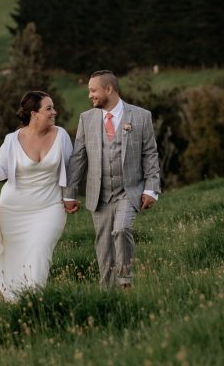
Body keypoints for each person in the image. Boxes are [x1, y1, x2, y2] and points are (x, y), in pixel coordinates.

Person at [0, 91, 73, 301]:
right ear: (34, 114)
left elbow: (72, 169)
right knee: (12, 260)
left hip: (49, 208)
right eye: (48, 108)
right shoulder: (12, 140)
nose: (54, 112)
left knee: (40, 252)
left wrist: (70, 196)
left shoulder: (61, 136)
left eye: (53, 107)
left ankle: (34, 302)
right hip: (13, 211)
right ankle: (14, 302)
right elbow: (1, 169)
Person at [62, 70, 160, 288]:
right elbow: (78, 159)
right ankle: (107, 293)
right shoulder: (86, 119)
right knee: (104, 247)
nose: (90, 96)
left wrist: (151, 189)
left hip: (129, 191)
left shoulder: (141, 116)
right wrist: (69, 194)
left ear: (109, 89)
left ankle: (125, 281)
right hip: (100, 195)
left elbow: (150, 154)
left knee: (122, 229)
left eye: (93, 90)